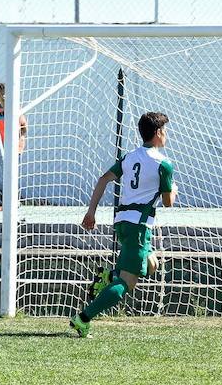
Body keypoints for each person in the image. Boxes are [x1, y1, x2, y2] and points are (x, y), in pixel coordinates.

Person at [69, 112, 176, 338]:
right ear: (157, 133)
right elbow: (168, 202)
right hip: (138, 226)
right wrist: (173, 189)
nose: (166, 135)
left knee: (152, 264)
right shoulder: (164, 164)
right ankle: (83, 318)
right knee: (127, 283)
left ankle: (108, 277)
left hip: (123, 223)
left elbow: (103, 179)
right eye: (164, 131)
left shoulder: (129, 157)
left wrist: (91, 212)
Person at [0, 82, 27, 211]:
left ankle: (13, 202)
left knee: (12, 173)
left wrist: (19, 141)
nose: (2, 96)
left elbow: (24, 127)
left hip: (14, 147)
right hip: (3, 146)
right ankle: (6, 202)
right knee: (5, 174)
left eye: (5, 93)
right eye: (0, 93)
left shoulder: (15, 109)